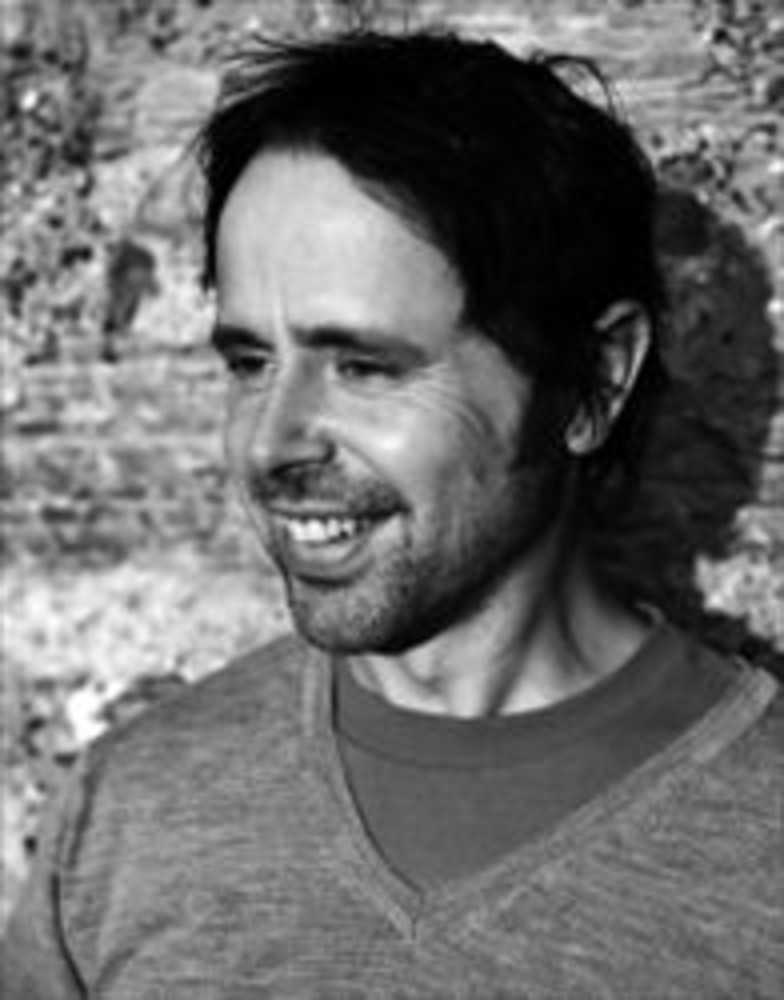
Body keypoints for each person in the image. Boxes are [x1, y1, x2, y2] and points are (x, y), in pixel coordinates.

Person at [3, 30, 782, 998]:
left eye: (365, 367)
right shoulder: (128, 816)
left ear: (594, 380)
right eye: (249, 362)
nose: (271, 443)